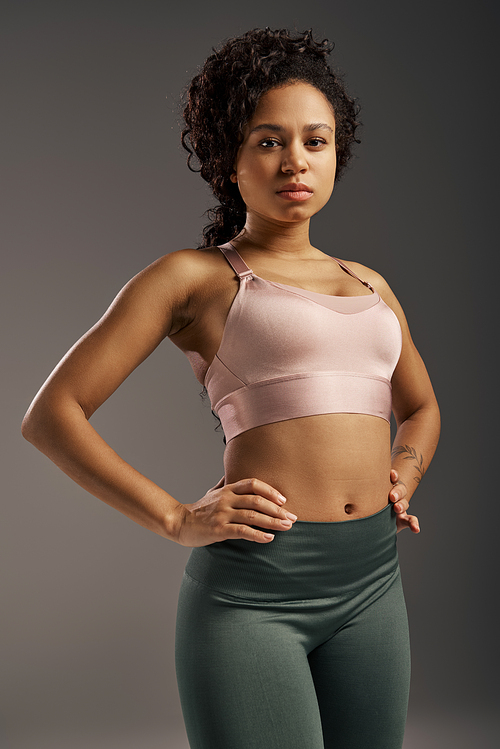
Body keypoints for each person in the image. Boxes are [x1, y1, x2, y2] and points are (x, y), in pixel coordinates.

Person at [22, 27, 440, 749]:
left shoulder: (371, 285)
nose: (296, 161)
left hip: (374, 583)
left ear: (337, 152)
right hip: (255, 595)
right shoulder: (197, 279)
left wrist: (404, 469)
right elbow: (51, 414)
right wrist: (175, 518)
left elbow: (422, 408)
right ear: (228, 157)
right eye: (268, 140)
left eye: (316, 140)